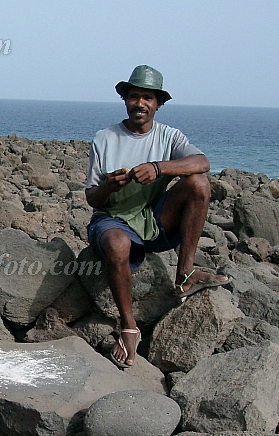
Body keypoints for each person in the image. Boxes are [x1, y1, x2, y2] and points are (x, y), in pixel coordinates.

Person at [85, 65, 230, 369]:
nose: (140, 103)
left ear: (158, 103)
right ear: (126, 100)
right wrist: (109, 185)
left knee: (199, 183)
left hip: (153, 218)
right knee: (116, 244)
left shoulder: (169, 136)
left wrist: (159, 168)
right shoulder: (105, 138)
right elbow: (91, 198)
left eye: (147, 98)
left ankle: (185, 274)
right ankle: (128, 326)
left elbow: (202, 162)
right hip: (114, 218)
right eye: (135, 96)